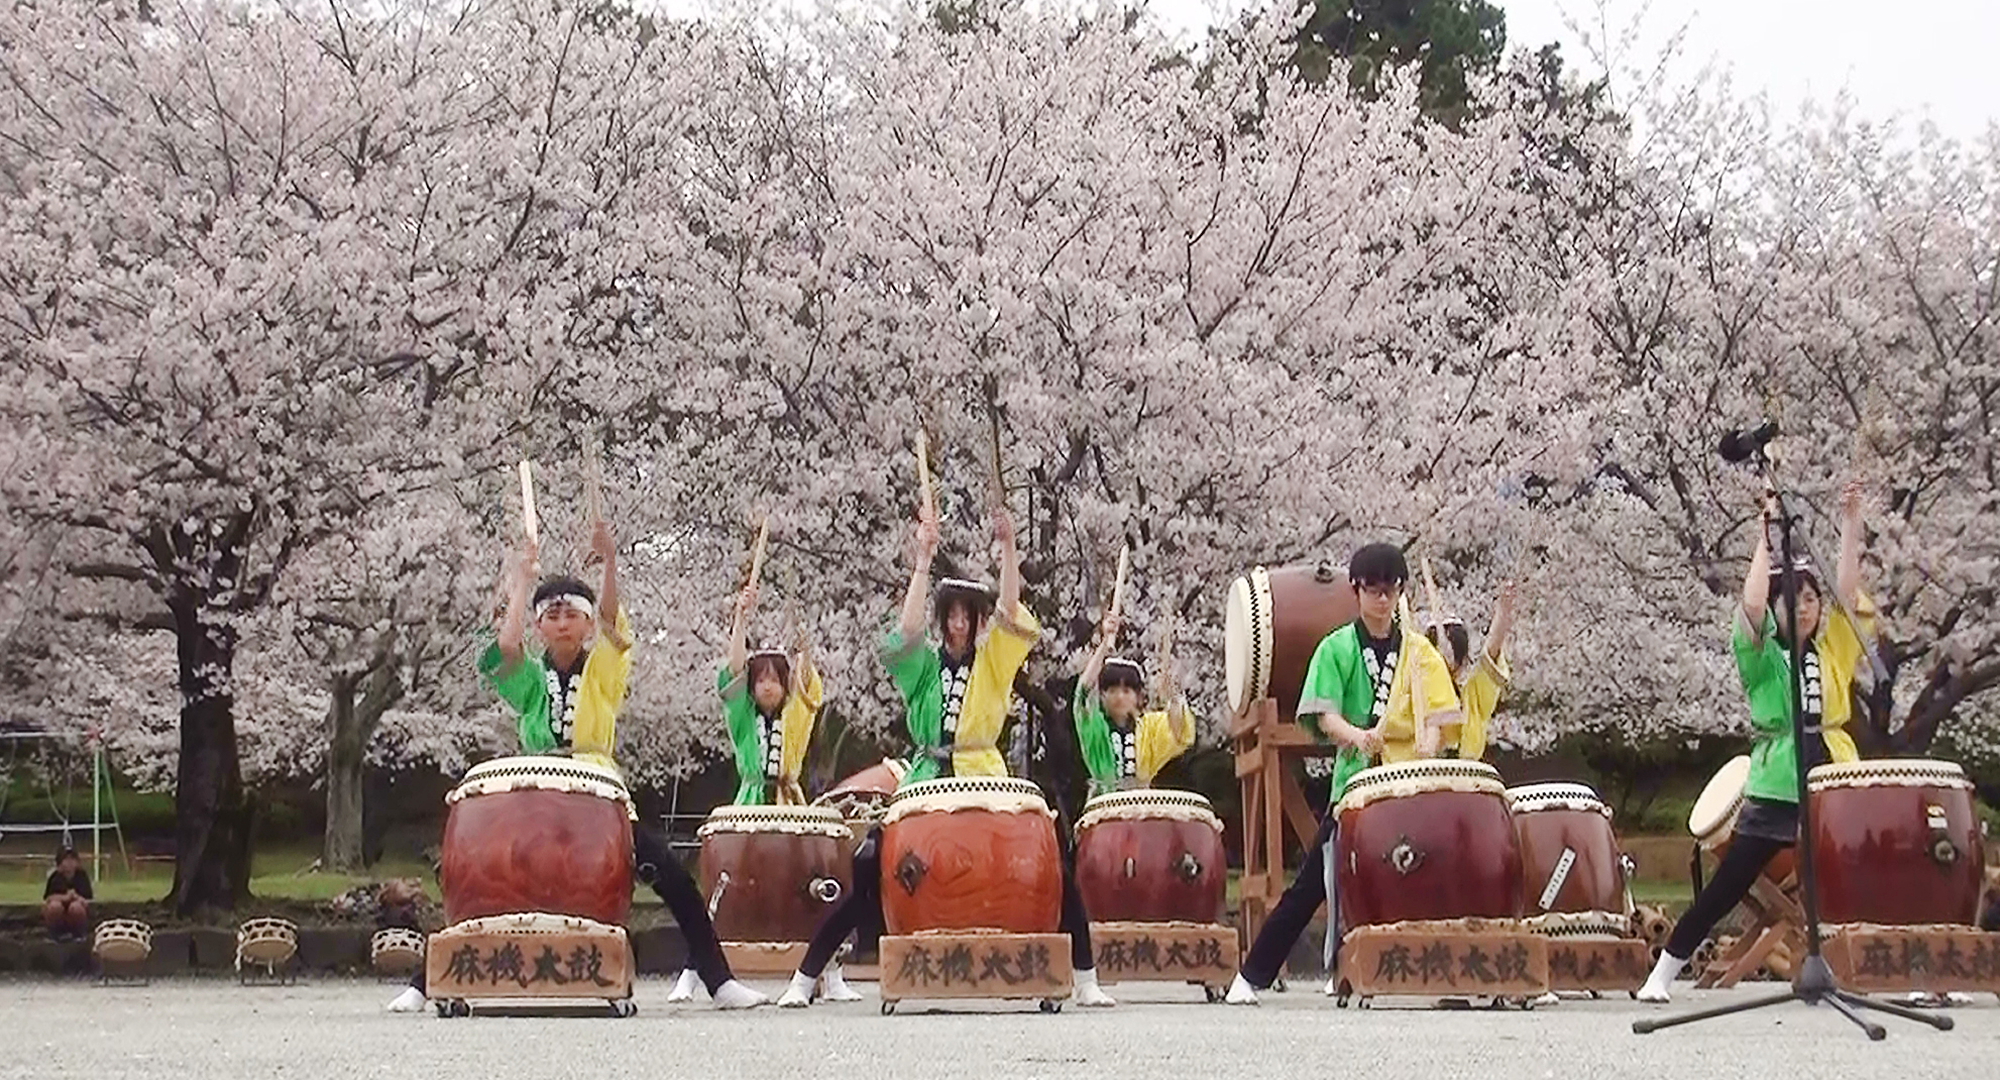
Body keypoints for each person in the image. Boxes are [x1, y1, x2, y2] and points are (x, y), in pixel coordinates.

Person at [389, 519, 766, 1012]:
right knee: (485, 880)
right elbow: (505, 649)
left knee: (672, 876)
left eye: (573, 614)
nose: (563, 622)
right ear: (540, 626)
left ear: (587, 624)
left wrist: (610, 560)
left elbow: (613, 618)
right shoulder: (530, 681)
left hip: (596, 798)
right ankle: (427, 981)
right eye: (552, 615)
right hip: (533, 800)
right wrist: (521, 581)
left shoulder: (604, 669)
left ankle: (718, 981)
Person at [777, 505, 1116, 1008]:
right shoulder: (923, 669)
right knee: (871, 863)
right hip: (925, 781)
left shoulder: (996, 659)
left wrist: (1008, 547)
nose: (958, 624)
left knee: (1053, 869)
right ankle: (806, 978)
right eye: (951, 614)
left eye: (966, 615)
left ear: (978, 621)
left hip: (985, 779)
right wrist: (922, 558)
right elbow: (905, 631)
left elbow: (1011, 605)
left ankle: (1085, 978)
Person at [1637, 481, 1871, 1003]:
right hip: (1777, 779)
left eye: (1811, 600)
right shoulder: (1765, 659)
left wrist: (1851, 524)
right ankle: (1664, 973)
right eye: (1795, 602)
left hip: (1831, 777)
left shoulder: (1831, 652)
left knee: (1860, 874)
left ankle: (1896, 970)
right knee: (1729, 884)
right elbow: (1751, 604)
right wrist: (1767, 537)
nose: (1805, 609)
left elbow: (1847, 591)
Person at [1226, 542, 1461, 1005]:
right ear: (1355, 590)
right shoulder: (1336, 648)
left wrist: (1425, 751)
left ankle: (1445, 972)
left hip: (1409, 787)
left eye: (1390, 590)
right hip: (1356, 785)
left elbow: (1438, 717)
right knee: (1315, 883)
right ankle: (1250, 976)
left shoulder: (1419, 651)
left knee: (1437, 874)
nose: (1382, 600)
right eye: (1372, 590)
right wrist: (1357, 736)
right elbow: (1323, 714)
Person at [666, 578, 833, 1002]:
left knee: (809, 884)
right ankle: (692, 970)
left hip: (791, 804)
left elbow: (809, 685)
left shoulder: (797, 711)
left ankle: (828, 974)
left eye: (776, 679)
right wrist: (741, 617)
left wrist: (803, 649)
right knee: (728, 889)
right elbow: (733, 670)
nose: (767, 687)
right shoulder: (741, 717)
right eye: (761, 680)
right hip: (749, 802)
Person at [1073, 612, 1194, 797]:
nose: (1119, 697)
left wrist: (1174, 697)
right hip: (1103, 809)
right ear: (1102, 695)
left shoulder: (1148, 729)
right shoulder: (1094, 727)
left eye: (1127, 691)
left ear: (1138, 697)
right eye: (1112, 691)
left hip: (1140, 809)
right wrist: (1105, 642)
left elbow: (1179, 733)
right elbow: (1081, 694)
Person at [1423, 579, 1518, 762]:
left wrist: (1503, 614)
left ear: (1464, 660)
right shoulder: (1415, 693)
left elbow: (1491, 652)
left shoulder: (1472, 696)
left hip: (1468, 781)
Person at [42, 847, 92, 941]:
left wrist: (75, 897)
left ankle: (79, 935)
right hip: (60, 910)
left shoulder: (82, 876)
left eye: (72, 859)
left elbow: (87, 899)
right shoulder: (55, 877)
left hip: (76, 909)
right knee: (54, 907)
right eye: (66, 859)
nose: (69, 863)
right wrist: (65, 898)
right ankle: (55, 935)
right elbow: (49, 898)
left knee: (76, 908)